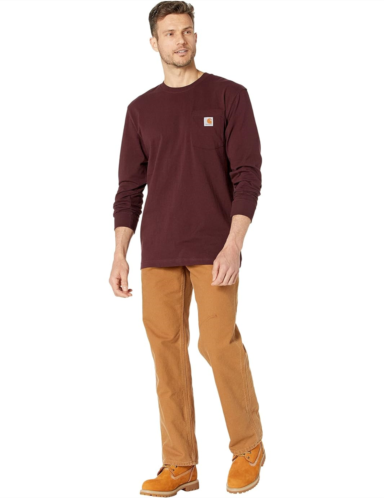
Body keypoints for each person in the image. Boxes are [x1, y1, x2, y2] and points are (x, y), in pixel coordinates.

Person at [110, 2, 265, 495]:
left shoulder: (229, 96)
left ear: (196, 37)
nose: (181, 40)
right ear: (153, 43)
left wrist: (234, 245)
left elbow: (248, 176)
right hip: (157, 251)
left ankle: (249, 447)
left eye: (188, 31)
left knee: (218, 345)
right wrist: (120, 253)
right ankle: (180, 464)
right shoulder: (140, 110)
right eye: (171, 33)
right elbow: (129, 190)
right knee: (167, 356)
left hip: (214, 248)